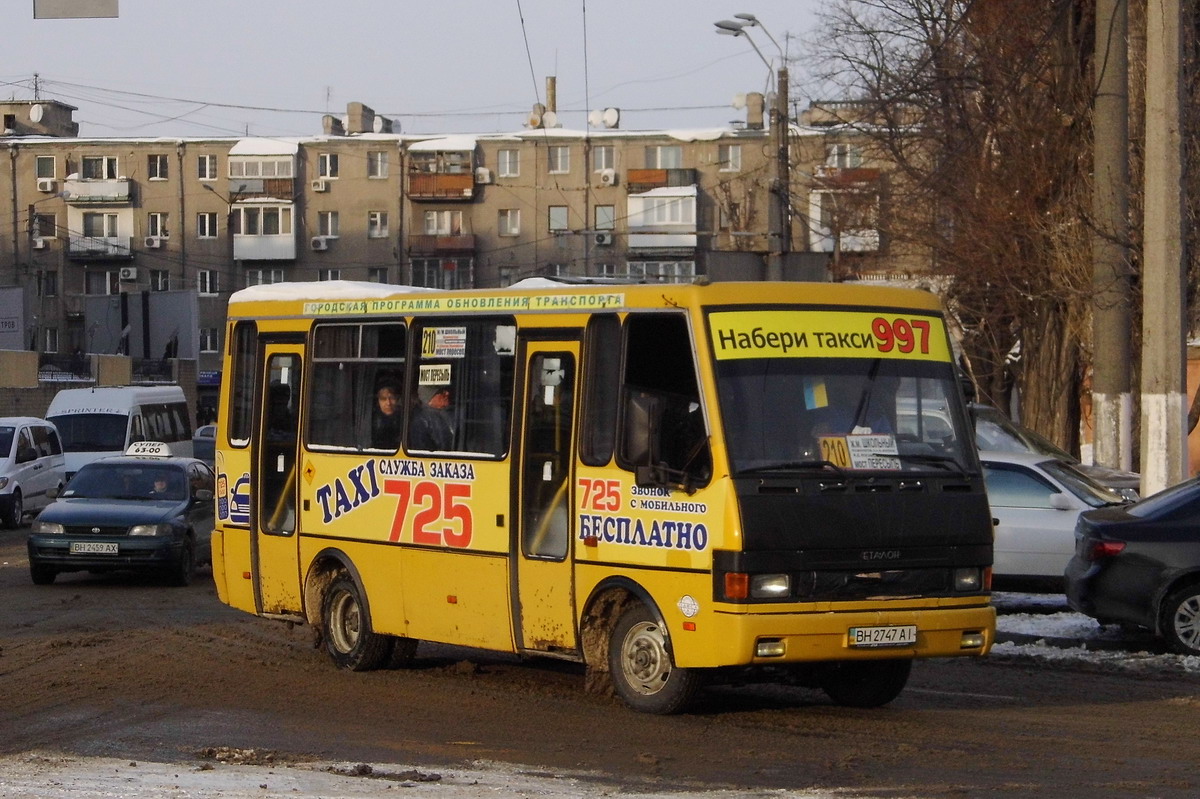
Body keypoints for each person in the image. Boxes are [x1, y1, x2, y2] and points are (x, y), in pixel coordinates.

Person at [409, 385, 454, 451]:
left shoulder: (451, 413)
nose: (447, 393)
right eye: (441, 392)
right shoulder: (422, 421)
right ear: (430, 399)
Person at [371, 379, 403, 448]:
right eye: (383, 399)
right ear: (378, 401)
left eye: (392, 398)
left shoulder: (405, 419)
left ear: (397, 399)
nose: (388, 403)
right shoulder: (370, 420)